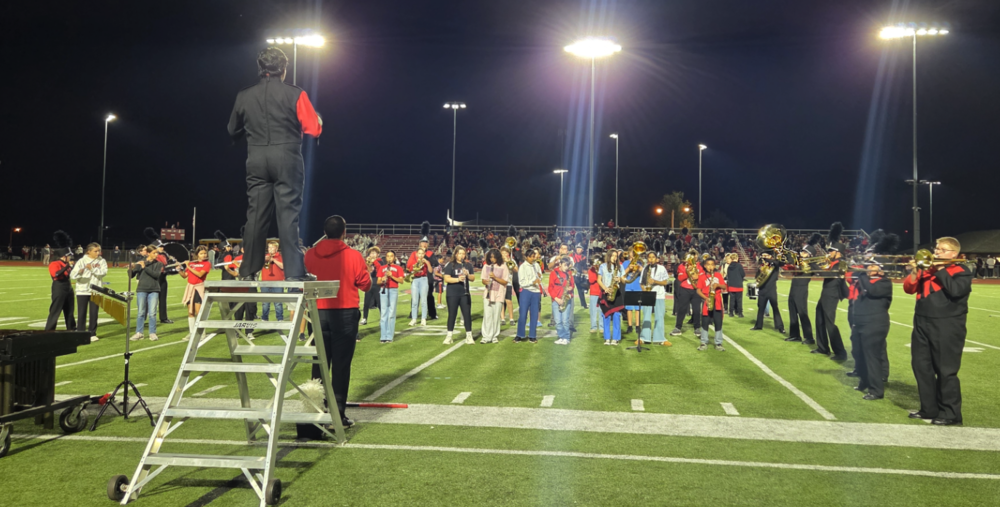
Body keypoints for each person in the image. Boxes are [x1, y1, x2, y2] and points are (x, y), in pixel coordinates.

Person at [228, 46, 322, 282]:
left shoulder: (244, 95)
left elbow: (232, 130)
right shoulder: (295, 93)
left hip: (256, 158)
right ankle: (294, 272)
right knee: (288, 215)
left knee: (255, 216)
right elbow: (313, 127)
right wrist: (318, 118)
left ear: (260, 69)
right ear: (284, 68)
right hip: (287, 157)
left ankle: (248, 271)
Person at [299, 215, 372, 432]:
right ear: (343, 232)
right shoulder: (353, 255)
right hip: (345, 313)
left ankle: (315, 413)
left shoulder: (310, 254)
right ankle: (337, 415)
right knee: (341, 366)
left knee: (319, 363)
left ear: (325, 231)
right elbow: (365, 285)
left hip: (317, 313)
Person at [903, 237, 973, 425]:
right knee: (921, 367)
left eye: (942, 250)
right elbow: (909, 289)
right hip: (921, 322)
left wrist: (940, 269)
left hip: (947, 325)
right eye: (936, 249)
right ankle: (929, 408)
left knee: (946, 370)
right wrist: (915, 270)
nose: (936, 252)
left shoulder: (962, 271)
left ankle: (951, 414)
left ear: (953, 254)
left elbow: (956, 291)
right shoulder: (927, 269)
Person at [853, 260, 892, 400]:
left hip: (875, 323)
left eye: (873, 266)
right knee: (858, 353)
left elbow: (871, 291)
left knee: (871, 356)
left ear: (881, 270)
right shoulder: (865, 280)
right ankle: (864, 381)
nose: (868, 268)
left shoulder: (884, 283)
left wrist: (862, 275)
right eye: (867, 266)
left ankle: (876, 390)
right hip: (860, 322)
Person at [814, 223, 848, 360]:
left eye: (830, 251)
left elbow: (827, 275)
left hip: (832, 295)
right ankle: (823, 348)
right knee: (819, 319)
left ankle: (840, 352)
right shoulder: (832, 263)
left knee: (829, 323)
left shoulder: (841, 263)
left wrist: (813, 265)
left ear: (837, 252)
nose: (828, 253)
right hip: (826, 293)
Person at [70, 243, 108, 342]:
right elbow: (73, 275)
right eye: (95, 251)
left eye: (99, 250)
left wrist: (92, 269)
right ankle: (80, 333)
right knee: (81, 313)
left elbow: (103, 273)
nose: (98, 253)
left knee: (94, 313)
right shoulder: (81, 261)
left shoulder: (102, 261)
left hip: (96, 290)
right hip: (82, 290)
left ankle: (92, 333)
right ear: (89, 251)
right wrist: (80, 272)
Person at [786, 234, 820, 344]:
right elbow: (789, 260)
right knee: (792, 312)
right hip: (793, 288)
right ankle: (794, 335)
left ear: (809, 255)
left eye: (804, 252)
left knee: (802, 313)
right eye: (802, 251)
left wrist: (814, 264)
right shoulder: (799, 262)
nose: (801, 253)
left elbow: (820, 272)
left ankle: (809, 337)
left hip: (802, 289)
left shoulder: (812, 264)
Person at [129, 245, 164, 342]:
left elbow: (156, 275)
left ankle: (152, 333)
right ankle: (139, 333)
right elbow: (131, 276)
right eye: (154, 253)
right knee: (141, 312)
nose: (156, 255)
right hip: (142, 289)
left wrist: (145, 268)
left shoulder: (159, 264)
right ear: (148, 253)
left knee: (152, 313)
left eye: (157, 253)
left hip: (154, 290)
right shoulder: (141, 263)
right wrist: (131, 268)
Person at [443, 246, 476, 345]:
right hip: (452, 294)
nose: (461, 255)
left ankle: (469, 336)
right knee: (452, 315)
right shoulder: (450, 265)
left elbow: (473, 278)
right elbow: (447, 279)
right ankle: (449, 336)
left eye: (463, 253)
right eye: (460, 253)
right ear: (456, 254)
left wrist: (467, 275)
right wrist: (457, 279)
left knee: (467, 315)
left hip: (464, 293)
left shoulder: (468, 265)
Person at [638, 251, 671, 346]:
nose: (651, 259)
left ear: (657, 259)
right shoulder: (645, 268)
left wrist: (654, 281)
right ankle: (644, 338)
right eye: (649, 257)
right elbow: (641, 283)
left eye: (653, 257)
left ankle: (660, 338)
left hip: (659, 295)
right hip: (648, 294)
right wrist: (644, 291)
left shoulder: (661, 268)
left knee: (659, 317)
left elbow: (665, 282)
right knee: (646, 317)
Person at [44, 235, 76, 332]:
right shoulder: (55, 263)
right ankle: (49, 330)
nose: (70, 257)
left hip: (68, 287)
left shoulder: (66, 264)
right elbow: (56, 274)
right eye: (68, 255)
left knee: (70, 311)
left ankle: (72, 329)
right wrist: (67, 266)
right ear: (64, 256)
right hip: (59, 287)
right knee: (55, 310)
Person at [180, 246, 211, 341]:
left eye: (205, 253)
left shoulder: (207, 263)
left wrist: (188, 266)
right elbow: (185, 276)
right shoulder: (193, 264)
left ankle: (202, 333)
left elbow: (200, 274)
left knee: (199, 312)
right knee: (190, 312)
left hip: (199, 288)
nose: (203, 255)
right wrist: (179, 269)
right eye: (201, 253)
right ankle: (192, 332)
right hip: (190, 288)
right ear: (197, 254)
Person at [697, 257, 727, 351]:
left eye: (712, 264)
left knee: (718, 322)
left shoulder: (718, 275)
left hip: (717, 300)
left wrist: (717, 285)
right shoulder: (702, 276)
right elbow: (698, 290)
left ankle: (718, 343)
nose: (710, 266)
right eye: (708, 264)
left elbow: (724, 286)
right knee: (705, 322)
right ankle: (703, 342)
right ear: (705, 266)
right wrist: (706, 298)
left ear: (714, 266)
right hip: (707, 300)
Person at [750, 252, 785, 333]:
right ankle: (758, 325)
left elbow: (780, 263)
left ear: (770, 256)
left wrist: (768, 260)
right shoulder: (762, 265)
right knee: (760, 308)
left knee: (775, 308)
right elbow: (757, 277)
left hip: (771, 289)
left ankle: (780, 326)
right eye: (763, 256)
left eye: (766, 255)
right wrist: (760, 270)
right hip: (762, 289)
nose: (764, 257)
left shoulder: (775, 263)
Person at [670, 250, 702, 337]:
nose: (692, 258)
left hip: (696, 290)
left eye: (694, 256)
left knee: (696, 309)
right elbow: (680, 278)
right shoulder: (681, 266)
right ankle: (678, 327)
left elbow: (703, 276)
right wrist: (687, 272)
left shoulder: (699, 266)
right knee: (682, 309)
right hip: (684, 289)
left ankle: (697, 328)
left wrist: (698, 276)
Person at [480, 248, 509, 344]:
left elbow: (505, 281)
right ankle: (486, 336)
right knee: (487, 315)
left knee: (496, 316)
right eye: (490, 257)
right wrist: (486, 281)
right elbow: (483, 280)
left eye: (494, 257)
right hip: (488, 294)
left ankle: (494, 336)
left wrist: (495, 278)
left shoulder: (503, 266)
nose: (492, 259)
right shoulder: (486, 266)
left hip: (499, 294)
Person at [516, 248, 543, 344]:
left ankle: (532, 335)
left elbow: (540, 276)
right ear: (526, 257)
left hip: (536, 292)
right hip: (526, 291)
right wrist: (533, 282)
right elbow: (522, 282)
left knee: (534, 314)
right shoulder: (522, 267)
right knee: (523, 314)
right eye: (531, 257)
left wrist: (540, 277)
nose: (533, 259)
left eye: (534, 257)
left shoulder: (536, 265)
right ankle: (519, 335)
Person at [376, 251, 404, 343]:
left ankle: (389, 336)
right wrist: (383, 280)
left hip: (393, 290)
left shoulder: (398, 268)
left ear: (394, 258)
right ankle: (383, 336)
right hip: (383, 290)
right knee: (384, 313)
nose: (389, 258)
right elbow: (378, 282)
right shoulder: (382, 268)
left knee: (391, 313)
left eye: (391, 256)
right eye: (388, 256)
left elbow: (401, 281)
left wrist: (391, 276)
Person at [598, 250, 624, 345]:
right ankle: (607, 338)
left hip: (616, 294)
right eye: (612, 255)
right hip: (606, 292)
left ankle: (616, 338)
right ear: (608, 256)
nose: (614, 257)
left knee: (617, 316)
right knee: (606, 315)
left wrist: (620, 279)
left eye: (616, 256)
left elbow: (625, 280)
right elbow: (599, 280)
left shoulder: (620, 267)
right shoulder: (602, 266)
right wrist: (605, 288)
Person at [548, 256, 575, 345]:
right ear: (560, 264)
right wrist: (556, 299)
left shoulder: (569, 273)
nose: (566, 268)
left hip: (565, 299)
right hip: (556, 300)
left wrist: (570, 288)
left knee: (565, 321)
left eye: (568, 266)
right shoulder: (553, 273)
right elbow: (550, 288)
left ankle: (566, 338)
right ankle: (561, 336)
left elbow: (572, 285)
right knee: (558, 321)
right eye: (565, 265)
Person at [260, 240, 285, 323]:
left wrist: (273, 260)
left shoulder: (280, 257)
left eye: (272, 247)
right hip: (265, 283)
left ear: (276, 248)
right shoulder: (265, 257)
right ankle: (264, 318)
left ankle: (280, 318)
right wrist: (265, 259)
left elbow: (283, 266)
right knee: (265, 303)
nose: (270, 249)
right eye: (269, 247)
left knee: (278, 303)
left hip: (277, 283)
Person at [406, 246, 432, 327]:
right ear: (416, 254)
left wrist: (427, 263)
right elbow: (409, 270)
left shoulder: (426, 261)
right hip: (415, 280)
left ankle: (423, 319)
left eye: (422, 253)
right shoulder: (413, 261)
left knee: (423, 300)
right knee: (414, 301)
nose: (420, 255)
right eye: (419, 253)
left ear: (424, 254)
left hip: (424, 279)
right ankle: (414, 319)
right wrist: (415, 265)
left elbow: (430, 271)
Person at [360, 246, 381, 326]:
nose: (372, 255)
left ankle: (382, 318)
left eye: (374, 253)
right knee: (366, 302)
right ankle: (364, 318)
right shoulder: (368, 261)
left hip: (377, 284)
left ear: (377, 254)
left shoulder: (380, 261)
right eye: (371, 253)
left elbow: (379, 269)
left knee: (379, 302)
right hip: (369, 283)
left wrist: (374, 261)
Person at [724, 253, 745, 318]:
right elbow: (743, 274)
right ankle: (740, 313)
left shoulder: (729, 266)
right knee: (739, 300)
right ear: (737, 258)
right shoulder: (739, 265)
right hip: (738, 285)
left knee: (732, 300)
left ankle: (731, 313)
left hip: (731, 285)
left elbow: (728, 275)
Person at [587, 255, 604, 334]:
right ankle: (593, 326)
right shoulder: (591, 270)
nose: (596, 264)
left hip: (601, 292)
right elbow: (591, 280)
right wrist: (597, 273)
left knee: (601, 310)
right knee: (593, 311)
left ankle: (601, 327)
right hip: (594, 292)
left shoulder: (603, 268)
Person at [501, 247, 518, 325]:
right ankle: (502, 319)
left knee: (508, 300)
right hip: (500, 283)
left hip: (508, 282)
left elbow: (516, 270)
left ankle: (511, 319)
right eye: (502, 253)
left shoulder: (511, 261)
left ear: (508, 254)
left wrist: (508, 262)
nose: (504, 254)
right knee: (501, 301)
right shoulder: (499, 261)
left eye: (505, 253)